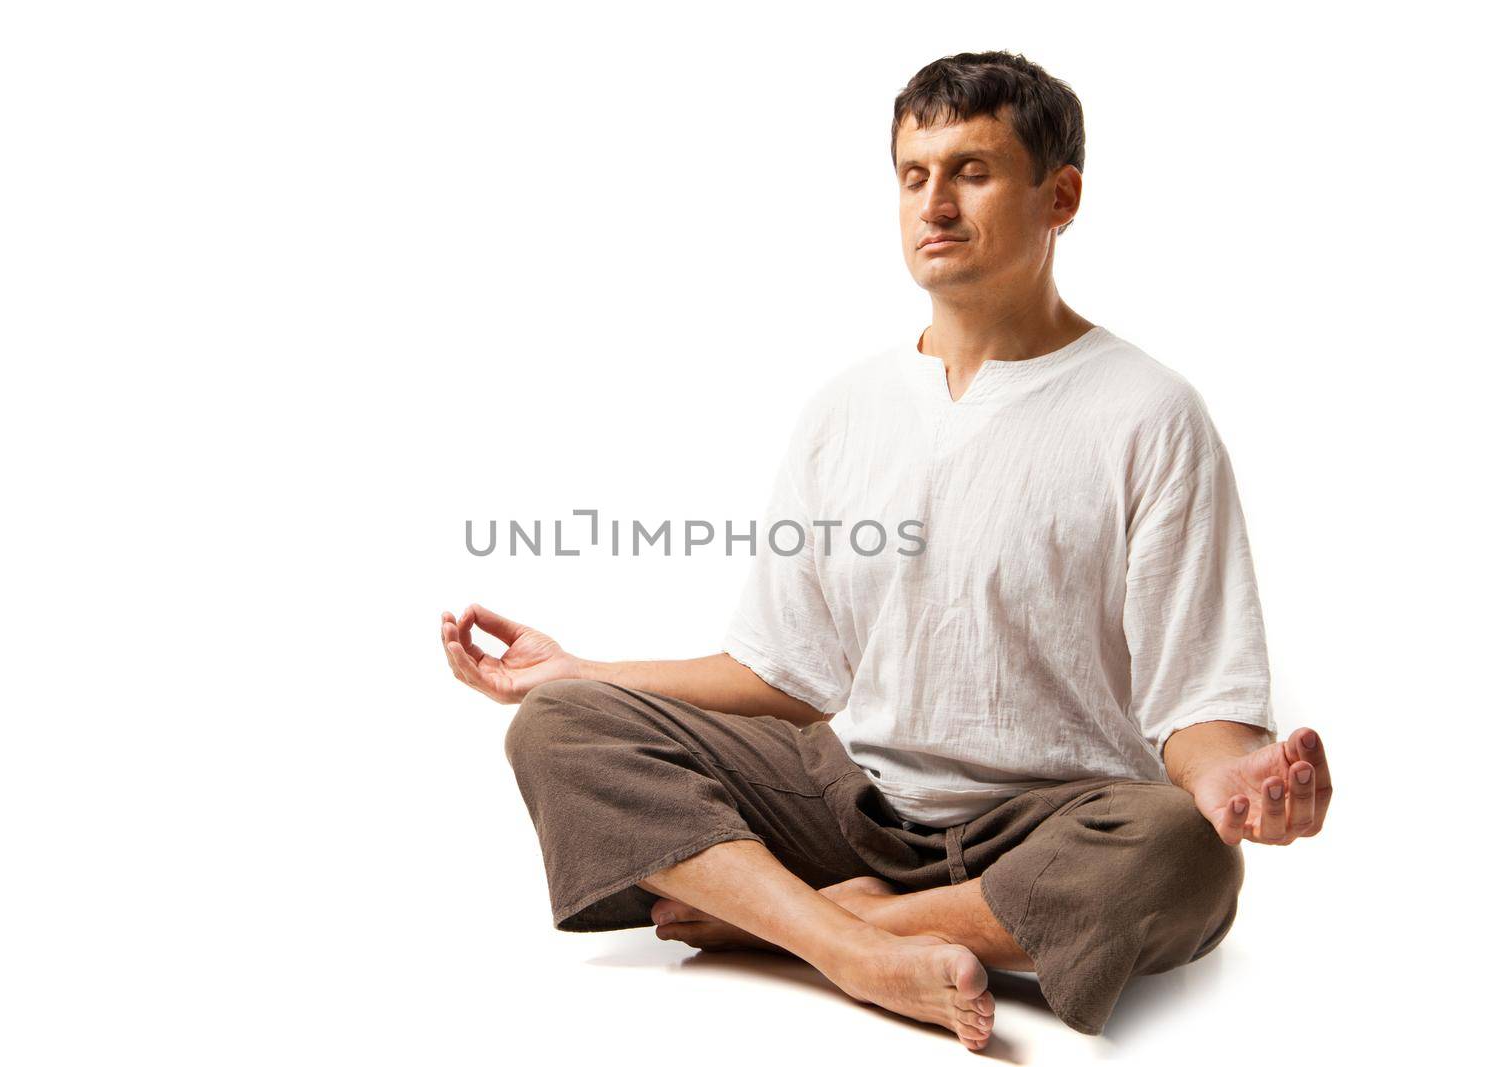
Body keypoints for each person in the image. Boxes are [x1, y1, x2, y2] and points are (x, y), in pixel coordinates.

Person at [439, 50, 1331, 1050]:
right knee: (562, 724)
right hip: (843, 795)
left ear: (1061, 196)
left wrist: (1233, 784)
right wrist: (578, 670)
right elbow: (783, 673)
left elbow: (1194, 698)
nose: (934, 204)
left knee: (1185, 856)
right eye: (914, 175)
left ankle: (783, 924)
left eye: (972, 171)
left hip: (1041, 821)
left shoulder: (1149, 414)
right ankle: (852, 947)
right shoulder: (847, 409)